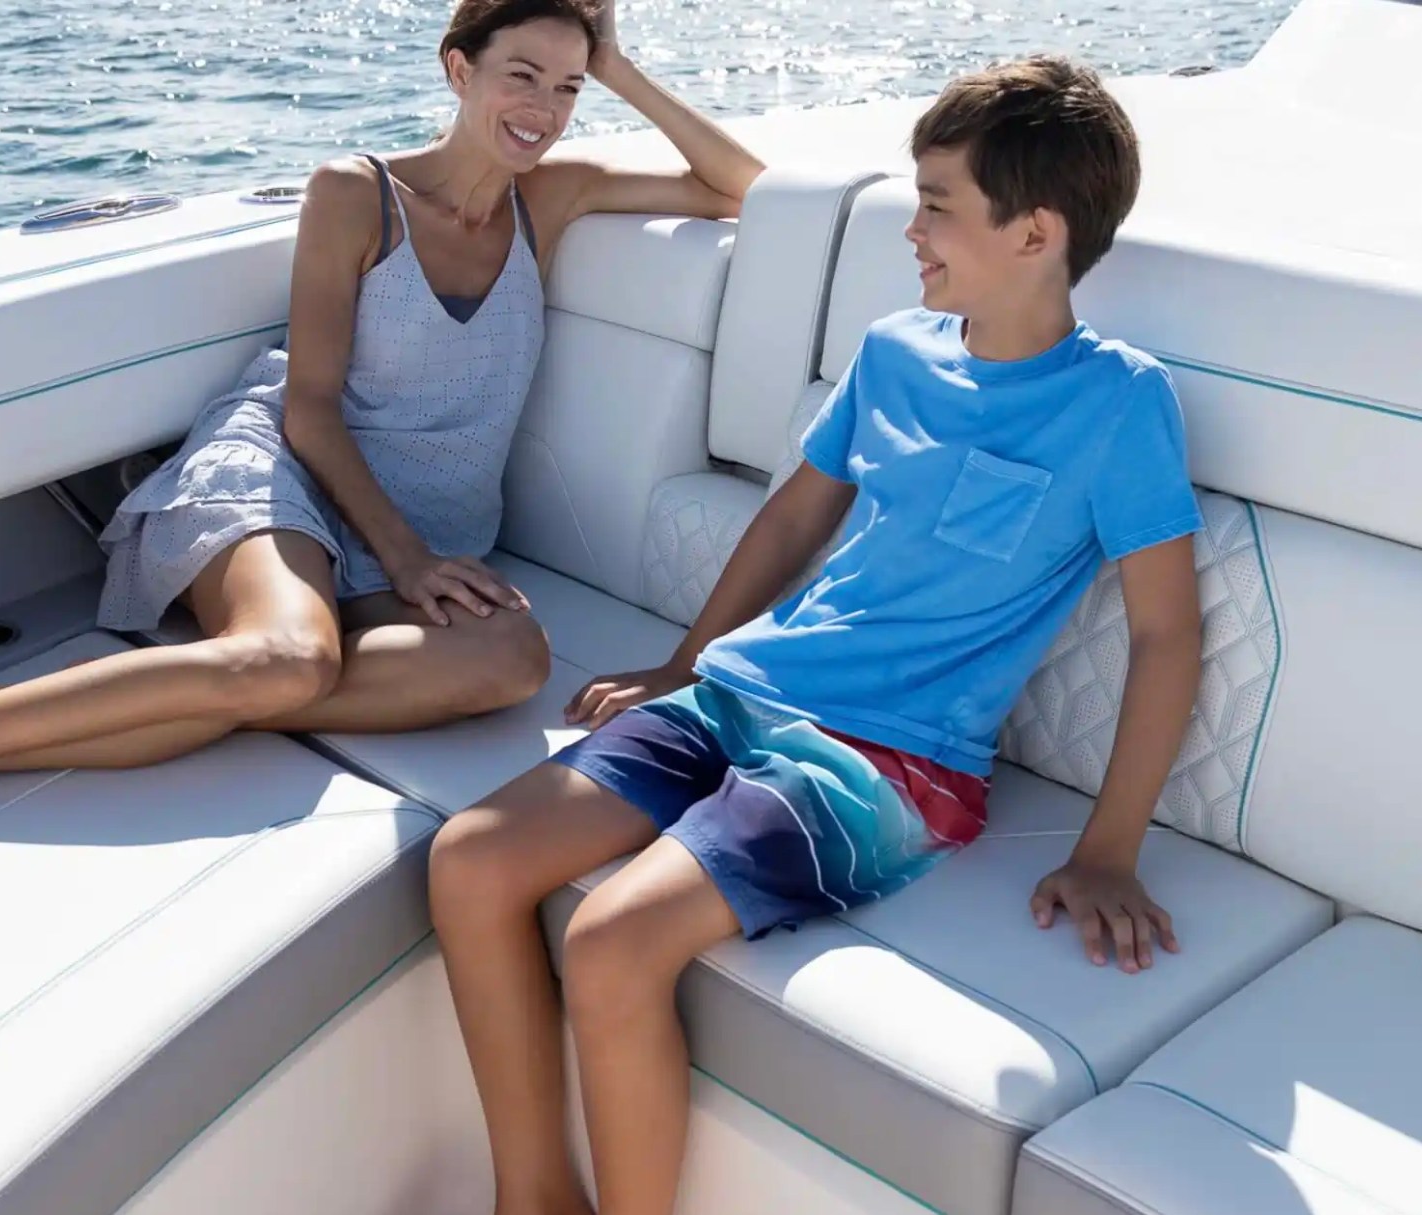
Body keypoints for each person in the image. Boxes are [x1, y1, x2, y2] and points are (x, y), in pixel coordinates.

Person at [0, 0, 766, 878]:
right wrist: (413, 560)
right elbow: (310, 408)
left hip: (423, 533)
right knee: (287, 658)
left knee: (510, 662)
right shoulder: (355, 193)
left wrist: (612, 63)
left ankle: (189, 683)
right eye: (522, 74)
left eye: (567, 88)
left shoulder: (552, 196)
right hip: (289, 477)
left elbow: (742, 185)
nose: (546, 108)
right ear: (456, 68)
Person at [427, 53, 1206, 1215]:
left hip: (890, 760)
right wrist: (687, 663)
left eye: (938, 207)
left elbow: (1166, 637)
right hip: (743, 692)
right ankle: (532, 1196)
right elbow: (796, 512)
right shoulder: (896, 349)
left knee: (614, 941)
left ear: (1036, 233)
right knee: (471, 857)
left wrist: (1110, 848)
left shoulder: (1121, 403)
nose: (914, 232)